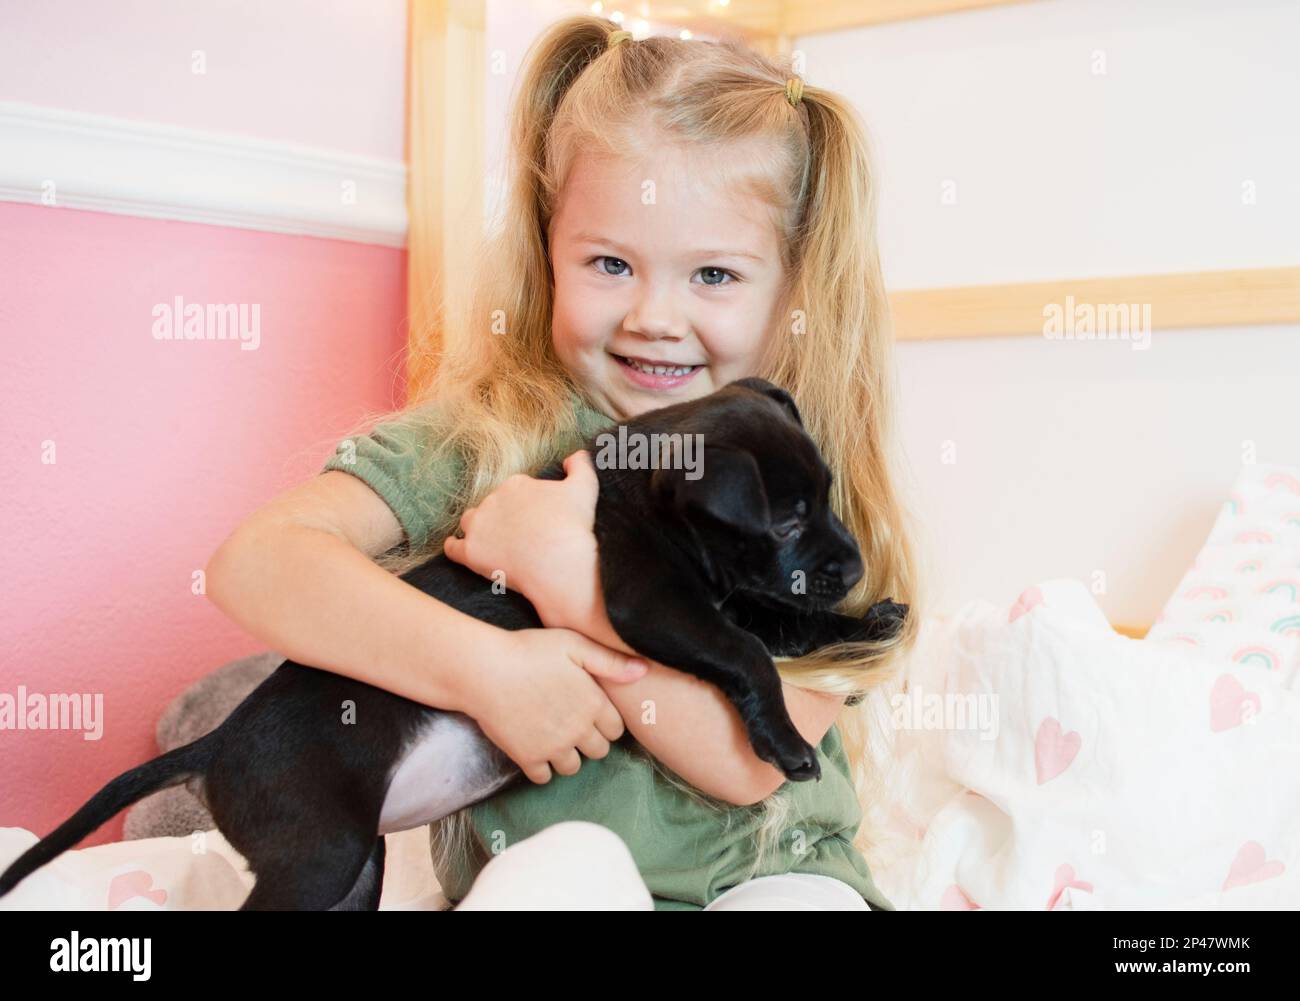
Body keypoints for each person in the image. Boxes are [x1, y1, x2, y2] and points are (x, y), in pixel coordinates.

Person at [205, 15, 925, 911]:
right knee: (565, 869)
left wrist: (571, 585)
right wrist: (483, 668)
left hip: (773, 879)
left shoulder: (797, 483)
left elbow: (749, 765)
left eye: (714, 276)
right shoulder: (490, 435)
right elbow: (257, 565)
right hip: (559, 886)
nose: (654, 316)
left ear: (793, 287)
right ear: (549, 254)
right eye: (611, 263)